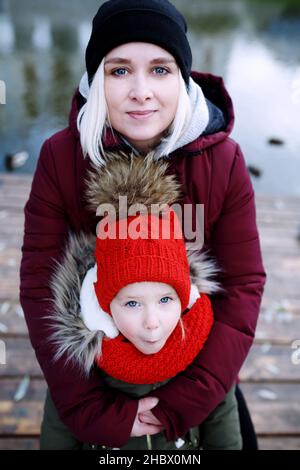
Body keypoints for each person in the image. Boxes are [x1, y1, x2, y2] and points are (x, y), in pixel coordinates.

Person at [19, 0, 266, 450]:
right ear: (97, 80)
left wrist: (185, 403)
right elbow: (40, 285)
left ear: (182, 77)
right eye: (119, 71)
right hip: (97, 372)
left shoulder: (223, 161)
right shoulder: (61, 158)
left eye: (159, 69)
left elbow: (244, 284)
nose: (141, 91)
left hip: (195, 368)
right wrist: (88, 408)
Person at [41, 151, 242, 450]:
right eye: (132, 304)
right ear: (104, 308)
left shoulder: (204, 352)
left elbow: (224, 434)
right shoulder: (81, 364)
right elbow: (58, 435)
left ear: (184, 297)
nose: (152, 323)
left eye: (165, 299)